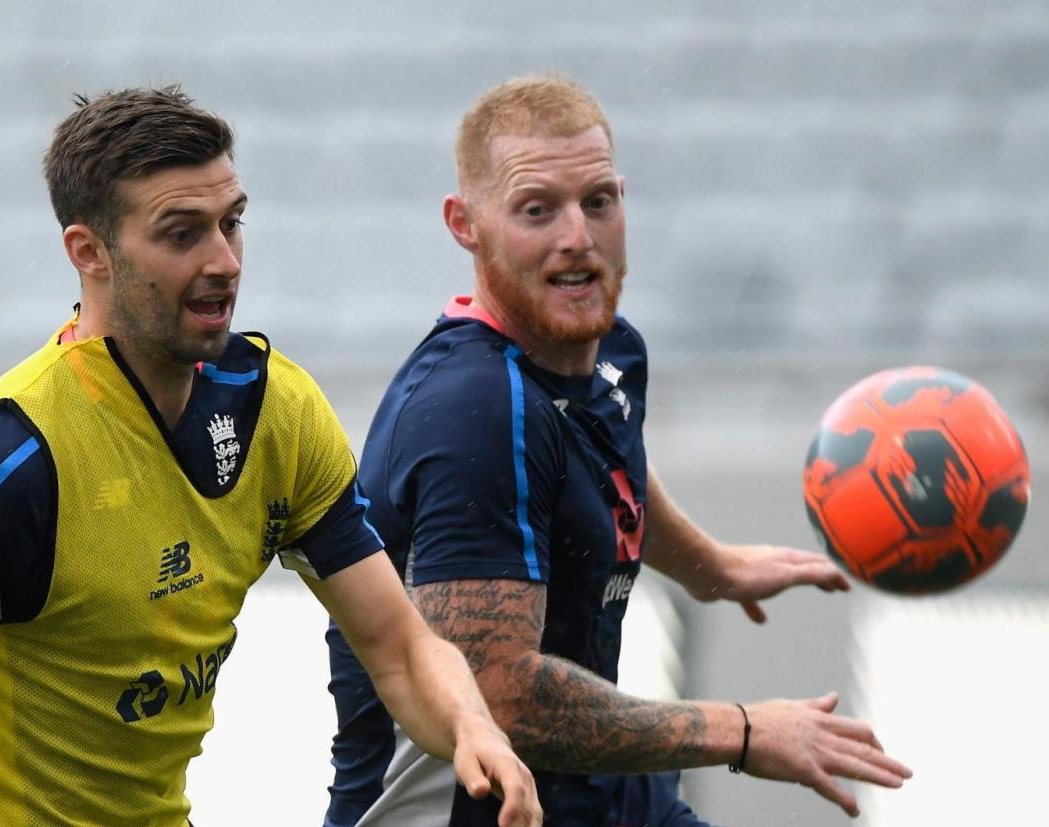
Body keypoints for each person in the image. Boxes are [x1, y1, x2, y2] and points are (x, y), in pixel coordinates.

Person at [0, 86, 541, 827]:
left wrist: (473, 727)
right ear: (88, 251)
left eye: (232, 223)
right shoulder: (5, 455)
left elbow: (401, 648)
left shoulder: (273, 414)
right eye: (182, 233)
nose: (224, 261)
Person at [323, 75, 912, 826]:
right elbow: (498, 692)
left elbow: (606, 470)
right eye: (537, 210)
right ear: (464, 223)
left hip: (598, 794)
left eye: (598, 201)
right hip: (484, 811)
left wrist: (713, 566)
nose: (578, 235)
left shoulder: (606, 352)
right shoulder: (469, 411)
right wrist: (741, 729)